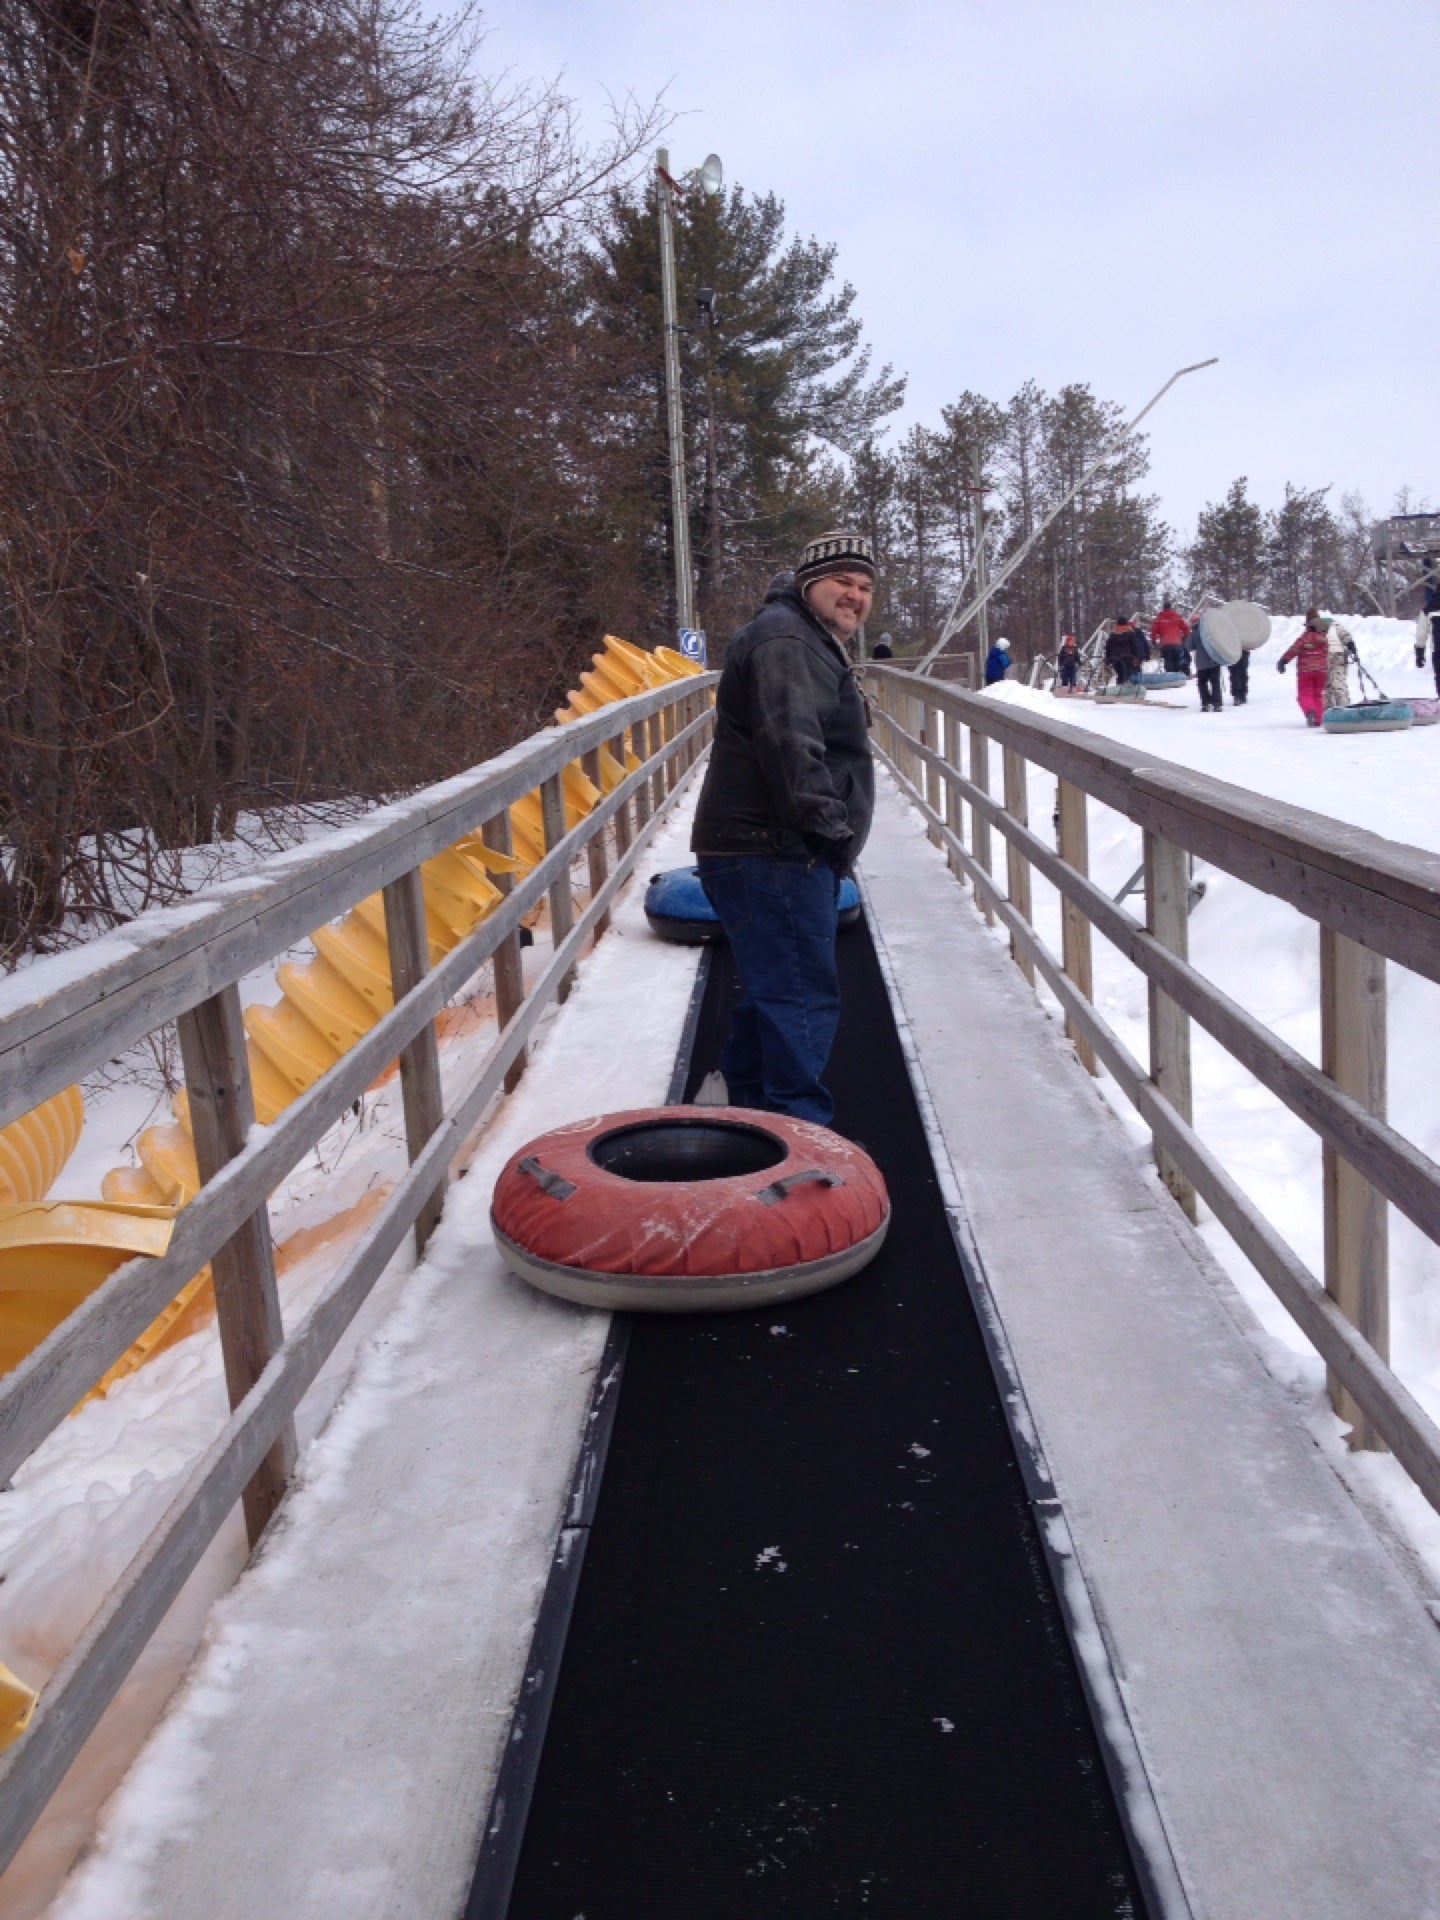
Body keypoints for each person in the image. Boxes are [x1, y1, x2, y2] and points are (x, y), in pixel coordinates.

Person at [691, 530, 876, 1124]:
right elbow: (790, 744)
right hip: (772, 846)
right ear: (808, 583)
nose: (854, 595)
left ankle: (736, 1106)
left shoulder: (803, 637)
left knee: (781, 983)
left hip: (771, 845)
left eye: (865, 586)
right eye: (841, 581)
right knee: (802, 997)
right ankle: (798, 1134)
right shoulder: (786, 639)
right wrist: (830, 834)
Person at [1277, 608, 1331, 727]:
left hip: (1305, 671)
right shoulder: (1325, 638)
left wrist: (1283, 661)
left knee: (1304, 694)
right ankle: (1318, 719)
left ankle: (1310, 711)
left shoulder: (1305, 638)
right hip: (1321, 671)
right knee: (1318, 695)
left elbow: (1294, 649)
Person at [1191, 617, 1225, 711]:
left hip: (1201, 663)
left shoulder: (1194, 633)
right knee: (1215, 682)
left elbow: (1189, 646)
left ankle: (1205, 703)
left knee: (1202, 683)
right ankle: (1217, 704)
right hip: (1214, 660)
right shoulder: (1211, 630)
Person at [1149, 599, 1190, 673]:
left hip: (1165, 644)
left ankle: (1170, 676)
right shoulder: (1177, 616)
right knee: (1177, 660)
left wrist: (1153, 641)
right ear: (1170, 608)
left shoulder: (1159, 618)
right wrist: (1185, 636)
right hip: (1177, 644)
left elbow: (1153, 631)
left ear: (1163, 608)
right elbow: (1186, 627)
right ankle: (1177, 676)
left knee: (1168, 661)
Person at [1105, 615, 1146, 686]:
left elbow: (1108, 648)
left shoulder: (1112, 635)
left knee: (1120, 673)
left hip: (1114, 658)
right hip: (1127, 658)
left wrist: (1107, 660)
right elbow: (1136, 646)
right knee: (1127, 673)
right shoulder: (1130, 634)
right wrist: (1139, 657)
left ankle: (1119, 686)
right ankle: (1126, 687)